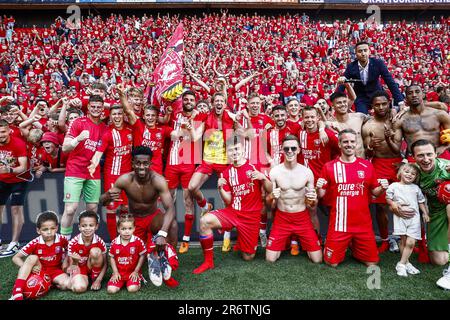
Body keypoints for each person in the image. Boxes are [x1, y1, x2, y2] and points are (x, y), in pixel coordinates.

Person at [100, 146, 179, 288]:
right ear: (132, 163)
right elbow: (103, 202)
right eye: (138, 163)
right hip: (134, 221)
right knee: (131, 263)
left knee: (172, 225)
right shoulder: (125, 180)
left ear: (150, 163)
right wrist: (106, 196)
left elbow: (170, 208)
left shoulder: (158, 180)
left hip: (152, 217)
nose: (141, 167)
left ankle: (165, 259)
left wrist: (162, 233)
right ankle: (152, 252)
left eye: (145, 163)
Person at [193, 135, 272, 274]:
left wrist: (263, 178)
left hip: (251, 216)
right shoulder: (225, 173)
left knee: (249, 257)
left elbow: (271, 189)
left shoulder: (255, 167)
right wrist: (220, 189)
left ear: (242, 150)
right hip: (233, 212)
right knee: (204, 221)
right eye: (231, 150)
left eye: (236, 149)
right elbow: (228, 200)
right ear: (227, 154)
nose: (234, 152)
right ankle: (208, 262)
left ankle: (242, 239)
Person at [317, 128, 389, 267]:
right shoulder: (329, 167)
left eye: (352, 141)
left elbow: (375, 192)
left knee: (373, 263)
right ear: (339, 144)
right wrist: (318, 187)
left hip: (362, 224)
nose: (349, 144)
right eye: (345, 142)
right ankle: (345, 244)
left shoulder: (366, 165)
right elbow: (321, 195)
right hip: (339, 224)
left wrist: (383, 188)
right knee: (331, 263)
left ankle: (355, 248)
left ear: (356, 144)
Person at [266, 134, 322, 263]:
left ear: (298, 150)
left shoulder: (307, 172)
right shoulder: (275, 172)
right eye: (286, 149)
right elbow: (270, 205)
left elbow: (311, 204)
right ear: (282, 150)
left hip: (302, 217)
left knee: (317, 260)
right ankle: (285, 244)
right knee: (270, 259)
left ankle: (306, 245)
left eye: (293, 148)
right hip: (282, 218)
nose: (290, 151)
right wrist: (271, 197)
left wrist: (313, 200)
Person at [60, 95, 108, 240]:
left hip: (93, 172)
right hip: (75, 170)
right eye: (93, 106)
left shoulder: (105, 128)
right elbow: (65, 148)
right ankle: (63, 242)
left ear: (102, 109)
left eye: (99, 107)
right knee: (70, 209)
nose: (96, 109)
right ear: (88, 107)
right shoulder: (78, 122)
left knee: (92, 210)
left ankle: (89, 241)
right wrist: (78, 139)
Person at [362, 91, 402, 253]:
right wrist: (370, 147)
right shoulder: (368, 126)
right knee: (380, 206)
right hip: (379, 164)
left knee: (407, 200)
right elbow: (367, 152)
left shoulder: (397, 119)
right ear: (372, 107)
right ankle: (385, 239)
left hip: (399, 164)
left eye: (384, 103)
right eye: (377, 104)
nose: (380, 107)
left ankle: (411, 238)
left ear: (389, 103)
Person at [88, 104, 133, 241]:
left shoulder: (131, 130)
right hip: (112, 176)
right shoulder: (107, 133)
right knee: (112, 208)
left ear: (123, 115)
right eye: (114, 114)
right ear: (110, 116)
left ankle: (127, 239)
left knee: (126, 208)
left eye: (119, 114)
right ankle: (115, 241)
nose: (117, 117)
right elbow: (98, 153)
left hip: (128, 177)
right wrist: (93, 164)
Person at [410, 140, 450, 289]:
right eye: (420, 155)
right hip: (435, 212)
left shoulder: (446, 166)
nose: (425, 159)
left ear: (436, 154)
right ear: (413, 156)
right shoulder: (414, 172)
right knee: (438, 260)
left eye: (429, 154)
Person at [9, 211, 71, 300]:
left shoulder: (62, 239)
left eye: (52, 228)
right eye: (45, 229)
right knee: (32, 258)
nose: (49, 232)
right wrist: (28, 267)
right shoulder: (35, 242)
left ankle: (50, 283)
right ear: (38, 230)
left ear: (57, 228)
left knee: (66, 284)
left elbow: (71, 250)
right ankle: (16, 292)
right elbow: (15, 258)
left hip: (55, 270)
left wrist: (65, 261)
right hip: (39, 270)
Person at [385, 163, 429, 277]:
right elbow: (388, 198)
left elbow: (420, 201)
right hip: (400, 217)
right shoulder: (394, 186)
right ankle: (407, 263)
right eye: (407, 172)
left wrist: (425, 213)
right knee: (404, 241)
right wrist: (393, 203)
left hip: (414, 218)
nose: (409, 175)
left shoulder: (416, 188)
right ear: (400, 173)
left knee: (411, 242)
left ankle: (401, 264)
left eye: (413, 174)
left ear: (416, 177)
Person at [339, 41, 404, 114]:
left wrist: (400, 101)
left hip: (377, 94)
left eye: (365, 50)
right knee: (361, 118)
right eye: (360, 51)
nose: (363, 54)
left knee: (385, 117)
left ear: (369, 52)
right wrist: (335, 99)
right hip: (361, 98)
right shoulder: (351, 67)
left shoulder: (378, 63)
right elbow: (342, 84)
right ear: (356, 54)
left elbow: (390, 81)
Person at [0, 119, 28, 257]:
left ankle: (14, 242)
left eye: (3, 132)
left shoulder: (18, 143)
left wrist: (9, 169)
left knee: (15, 209)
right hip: (1, 180)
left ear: (9, 130)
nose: (1, 135)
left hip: (19, 179)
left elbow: (23, 167)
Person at [67, 210, 107, 293]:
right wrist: (75, 262)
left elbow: (105, 264)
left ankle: (94, 278)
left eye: (91, 225)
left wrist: (98, 280)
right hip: (80, 269)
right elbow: (71, 267)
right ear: (79, 227)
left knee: (95, 251)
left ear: (96, 226)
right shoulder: (73, 243)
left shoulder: (100, 242)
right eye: (84, 226)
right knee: (79, 288)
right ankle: (81, 280)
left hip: (93, 268)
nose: (87, 228)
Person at [107, 214, 147, 294]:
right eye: (123, 229)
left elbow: (142, 255)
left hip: (132, 273)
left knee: (132, 289)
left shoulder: (138, 241)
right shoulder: (114, 242)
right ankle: (119, 280)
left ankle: (137, 279)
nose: (126, 231)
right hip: (119, 273)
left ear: (134, 229)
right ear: (118, 229)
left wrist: (136, 271)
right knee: (111, 290)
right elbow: (112, 257)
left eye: (130, 228)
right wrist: (115, 272)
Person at [326, 92, 367, 158]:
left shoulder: (359, 117)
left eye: (344, 101)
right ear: (332, 105)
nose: (342, 104)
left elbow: (374, 120)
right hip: (343, 165)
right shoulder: (329, 124)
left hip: (362, 163)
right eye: (339, 103)